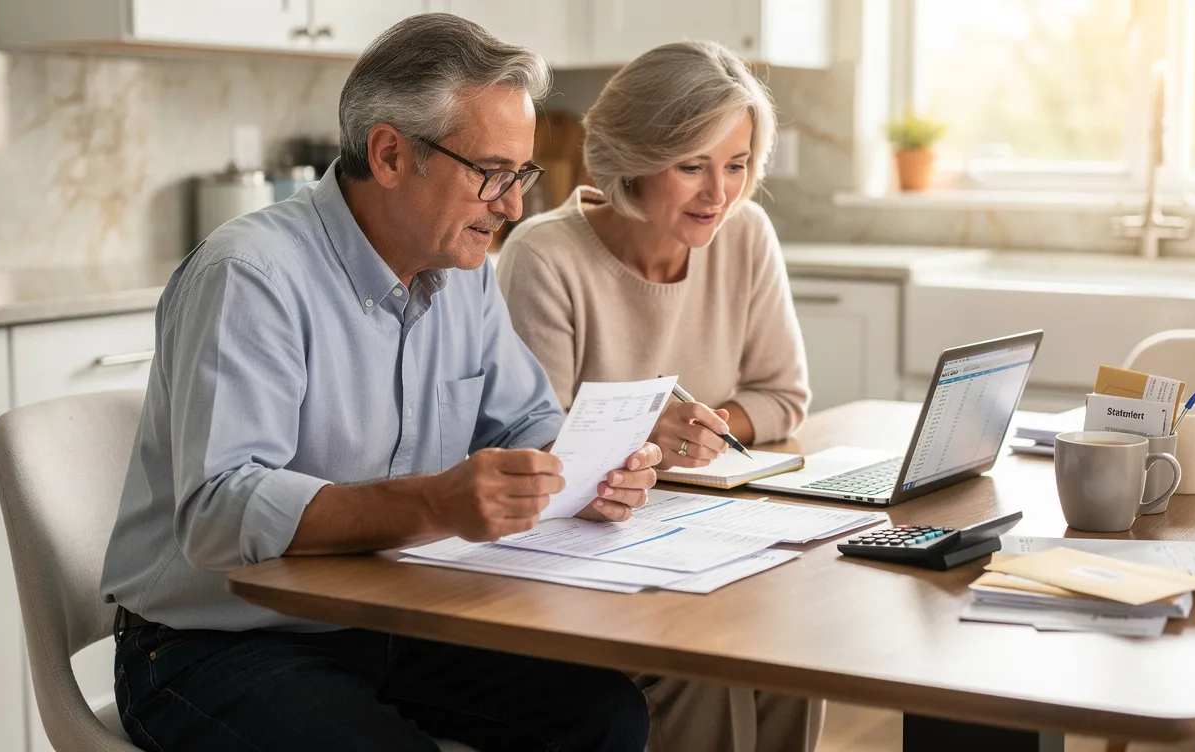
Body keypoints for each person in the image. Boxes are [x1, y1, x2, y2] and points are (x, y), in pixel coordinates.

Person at [100, 14, 660, 752]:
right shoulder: (252, 275)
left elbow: (525, 424)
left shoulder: (465, 273)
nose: (512, 206)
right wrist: (433, 502)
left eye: (521, 176)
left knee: (607, 713)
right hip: (213, 641)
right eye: (492, 173)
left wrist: (591, 471)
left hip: (392, 619)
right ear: (391, 154)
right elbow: (218, 511)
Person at [496, 40, 818, 752]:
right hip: (586, 548)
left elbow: (783, 396)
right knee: (707, 658)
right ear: (634, 160)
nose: (719, 194)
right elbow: (534, 444)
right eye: (691, 166)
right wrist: (643, 438)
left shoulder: (746, 234)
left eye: (736, 164)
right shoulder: (545, 254)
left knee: (793, 644)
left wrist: (704, 429)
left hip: (702, 526)